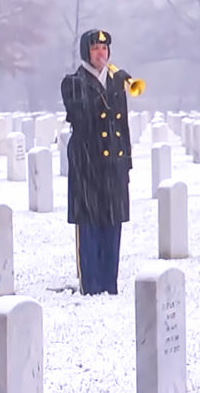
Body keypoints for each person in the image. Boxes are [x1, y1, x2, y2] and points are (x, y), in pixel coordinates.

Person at [60, 28, 134, 295]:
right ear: (86, 52)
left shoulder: (115, 82)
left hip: (113, 164)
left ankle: (109, 283)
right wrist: (109, 87)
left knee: (112, 224)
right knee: (89, 225)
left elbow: (122, 124)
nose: (101, 53)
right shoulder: (73, 82)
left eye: (104, 49)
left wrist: (127, 162)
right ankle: (90, 284)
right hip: (86, 163)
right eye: (95, 49)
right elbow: (83, 115)